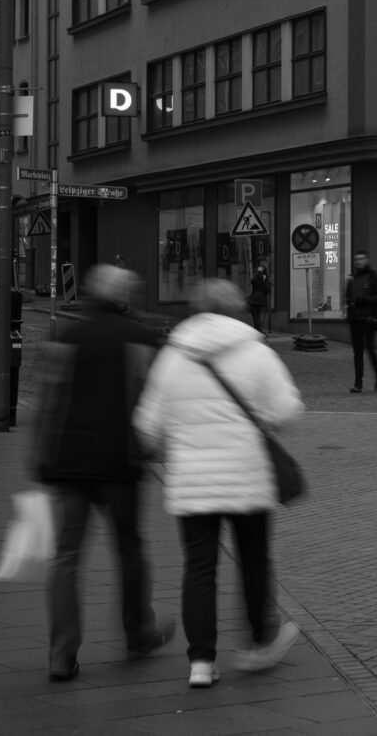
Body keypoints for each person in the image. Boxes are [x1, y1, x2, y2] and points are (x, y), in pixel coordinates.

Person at [133, 279, 304, 689]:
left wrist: (166, 446)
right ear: (237, 310)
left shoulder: (173, 357)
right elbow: (288, 410)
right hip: (248, 477)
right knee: (254, 560)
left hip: (192, 482)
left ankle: (201, 662)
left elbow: (146, 426)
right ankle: (260, 643)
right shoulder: (258, 353)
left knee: (199, 568)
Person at [34, 264, 175, 682]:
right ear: (125, 297)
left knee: (66, 559)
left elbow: (48, 397)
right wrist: (151, 448)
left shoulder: (68, 337)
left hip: (68, 462)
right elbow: (151, 398)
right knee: (129, 551)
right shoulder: (140, 338)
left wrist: (42, 455)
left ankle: (62, 654)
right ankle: (138, 634)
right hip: (120, 463)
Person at [344, 251, 377, 393]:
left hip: (369, 318)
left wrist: (364, 301)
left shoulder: (375, 278)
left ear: (367, 260)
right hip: (355, 319)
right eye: (357, 259)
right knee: (357, 352)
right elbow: (347, 297)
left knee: (370, 349)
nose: (359, 261)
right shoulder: (352, 279)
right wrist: (350, 304)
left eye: (362, 259)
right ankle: (358, 383)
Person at [246, 261, 271, 333]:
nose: (261, 273)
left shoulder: (267, 282)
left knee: (260, 321)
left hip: (262, 304)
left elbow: (268, 289)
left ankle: (259, 333)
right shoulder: (255, 280)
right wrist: (258, 275)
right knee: (256, 322)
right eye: (259, 271)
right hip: (254, 303)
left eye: (262, 271)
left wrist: (263, 281)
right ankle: (257, 334)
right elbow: (252, 281)